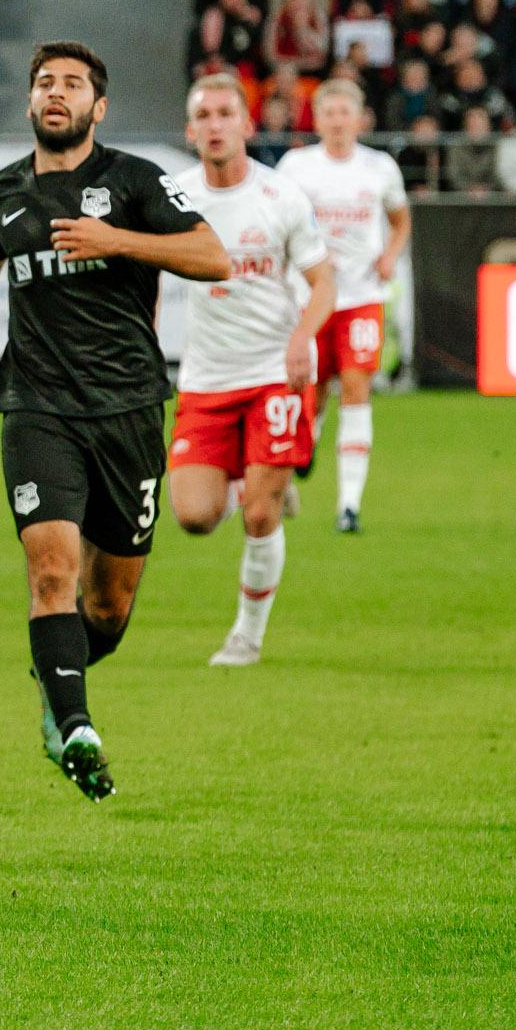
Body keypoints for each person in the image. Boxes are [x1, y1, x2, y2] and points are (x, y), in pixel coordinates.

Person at [0, 42, 229, 799]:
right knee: (52, 571)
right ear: (31, 103)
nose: (55, 92)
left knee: (109, 604)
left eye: (72, 84)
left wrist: (118, 240)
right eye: (44, 83)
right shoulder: (2, 189)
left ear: (98, 107)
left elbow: (213, 254)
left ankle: (58, 683)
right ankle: (75, 726)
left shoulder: (134, 180)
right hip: (37, 409)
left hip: (129, 408)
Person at [164, 76, 335, 666]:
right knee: (193, 516)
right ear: (191, 132)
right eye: (203, 115)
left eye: (225, 113)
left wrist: (301, 339)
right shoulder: (175, 200)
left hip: (274, 373)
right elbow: (147, 279)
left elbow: (323, 283)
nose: (214, 125)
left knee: (259, 514)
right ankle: (251, 473)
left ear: (246, 124)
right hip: (207, 380)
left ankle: (247, 635)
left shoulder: (281, 198)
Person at [274, 79, 412, 533]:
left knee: (357, 389)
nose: (336, 121)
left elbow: (400, 217)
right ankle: (303, 447)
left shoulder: (380, 168)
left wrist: (391, 254)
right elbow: (278, 224)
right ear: (317, 119)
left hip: (360, 297)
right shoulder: (296, 167)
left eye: (344, 113)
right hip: (310, 299)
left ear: (360, 119)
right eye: (328, 113)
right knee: (312, 395)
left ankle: (349, 505)